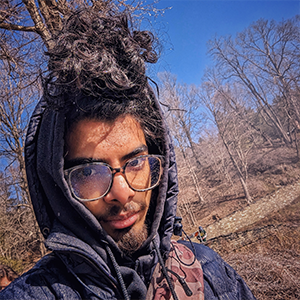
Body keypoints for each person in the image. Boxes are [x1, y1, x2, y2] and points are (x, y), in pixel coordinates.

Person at [0, 7, 256, 300]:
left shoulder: (211, 274)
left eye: (134, 162)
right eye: (88, 171)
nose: (122, 193)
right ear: (58, 186)